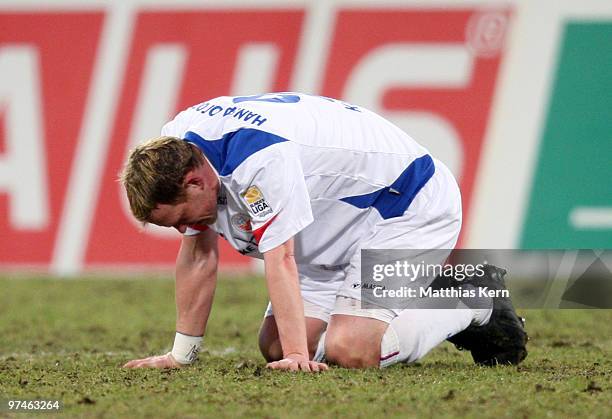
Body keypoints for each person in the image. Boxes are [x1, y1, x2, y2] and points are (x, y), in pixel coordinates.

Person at [120, 92, 527, 372]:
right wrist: (181, 355)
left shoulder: (259, 160)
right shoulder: (178, 144)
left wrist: (300, 356)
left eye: (181, 219)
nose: (185, 229)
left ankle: (468, 298)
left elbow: (281, 257)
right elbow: (198, 255)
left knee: (350, 350)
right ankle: (376, 299)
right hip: (334, 219)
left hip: (405, 204)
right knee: (274, 345)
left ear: (194, 181)